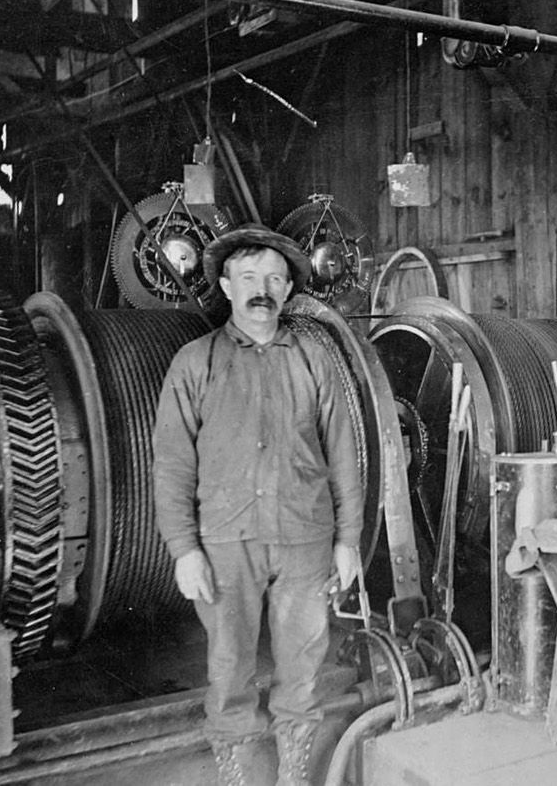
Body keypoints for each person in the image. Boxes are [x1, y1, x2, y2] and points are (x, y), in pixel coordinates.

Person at [153, 223, 364, 786]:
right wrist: (184, 550)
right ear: (225, 285)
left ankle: (292, 770)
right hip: (226, 541)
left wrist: (347, 542)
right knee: (229, 666)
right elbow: (172, 465)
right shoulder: (194, 364)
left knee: (303, 664)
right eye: (248, 276)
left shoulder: (315, 360)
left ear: (289, 290)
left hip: (305, 539)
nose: (261, 288)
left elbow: (344, 454)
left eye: (274, 277)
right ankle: (237, 770)